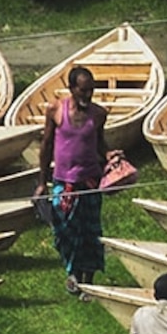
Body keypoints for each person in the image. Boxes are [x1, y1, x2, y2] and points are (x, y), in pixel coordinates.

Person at [42, 66, 110, 292]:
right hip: (63, 182)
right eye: (83, 90)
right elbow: (47, 145)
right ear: (71, 88)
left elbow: (99, 144)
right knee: (63, 229)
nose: (87, 95)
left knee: (90, 231)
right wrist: (42, 181)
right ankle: (73, 271)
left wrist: (110, 154)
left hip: (89, 181)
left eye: (91, 90)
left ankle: (87, 281)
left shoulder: (98, 115)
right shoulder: (55, 110)